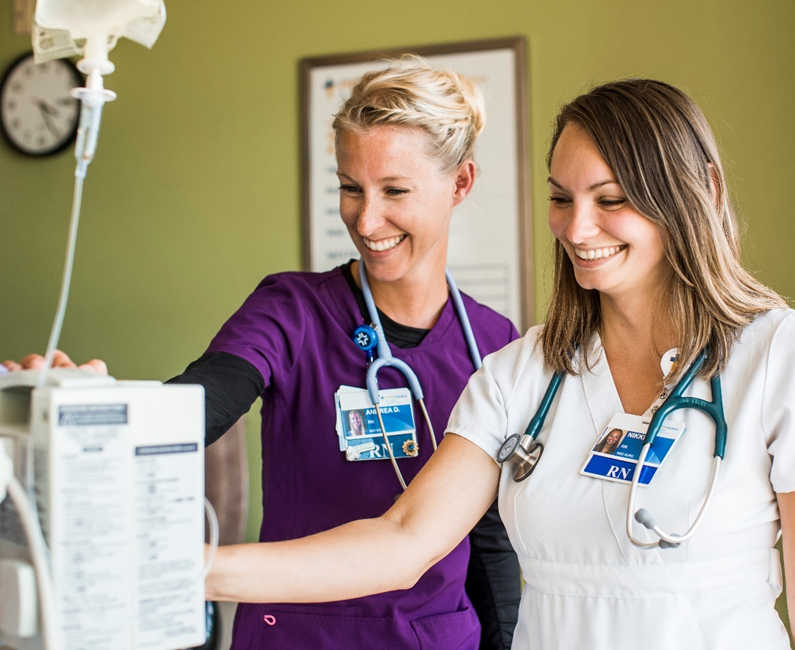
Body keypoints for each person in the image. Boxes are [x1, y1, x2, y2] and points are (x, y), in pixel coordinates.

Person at [203, 78, 795, 649]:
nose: (577, 229)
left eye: (609, 200)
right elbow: (402, 542)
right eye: (561, 198)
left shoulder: (783, 357)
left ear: (695, 193)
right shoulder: (524, 371)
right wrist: (190, 569)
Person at [5, 57, 523, 650]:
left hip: (435, 637)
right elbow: (200, 403)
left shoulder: (496, 342)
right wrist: (96, 410)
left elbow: (489, 541)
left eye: (395, 190)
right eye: (350, 188)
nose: (366, 218)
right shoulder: (292, 310)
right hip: (297, 634)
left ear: (460, 184)